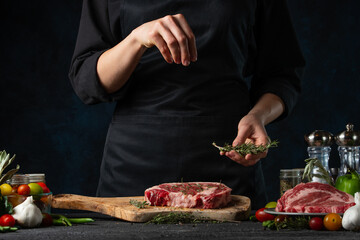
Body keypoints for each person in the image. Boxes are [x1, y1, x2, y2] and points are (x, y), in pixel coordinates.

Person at [69, 0, 305, 209]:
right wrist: (136, 39)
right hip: (133, 169)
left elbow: (282, 74)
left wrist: (258, 116)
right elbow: (86, 82)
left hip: (228, 162)